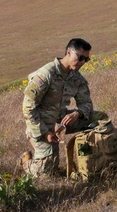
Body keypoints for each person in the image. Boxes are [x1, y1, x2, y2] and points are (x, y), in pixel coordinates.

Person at [20, 38, 110, 177]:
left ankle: (96, 157)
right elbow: (28, 108)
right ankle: (26, 162)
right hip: (40, 124)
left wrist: (78, 113)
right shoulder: (45, 75)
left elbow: (86, 103)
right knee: (46, 172)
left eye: (86, 60)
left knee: (100, 119)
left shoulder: (77, 78)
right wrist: (45, 132)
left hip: (61, 121)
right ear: (68, 52)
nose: (82, 63)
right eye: (80, 58)